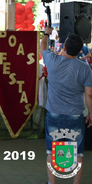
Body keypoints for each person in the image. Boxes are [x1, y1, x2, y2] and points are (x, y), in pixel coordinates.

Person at [40, 29, 92, 184]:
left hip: (54, 114)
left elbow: (42, 47)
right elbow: (89, 95)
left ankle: (52, 183)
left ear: (63, 47)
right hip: (75, 115)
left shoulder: (52, 60)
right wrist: (90, 112)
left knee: (52, 150)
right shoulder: (85, 68)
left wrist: (46, 33)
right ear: (79, 50)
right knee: (78, 153)